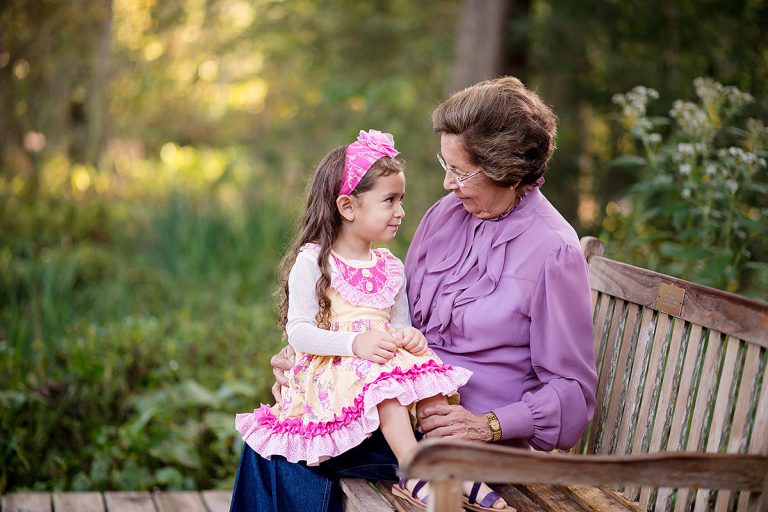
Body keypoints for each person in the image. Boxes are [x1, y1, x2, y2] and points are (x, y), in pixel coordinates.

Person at [230, 77, 597, 512]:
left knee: (277, 452)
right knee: (279, 435)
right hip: (399, 410)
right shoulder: (445, 217)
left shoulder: (553, 250)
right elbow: (384, 318)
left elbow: (573, 394)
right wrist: (315, 363)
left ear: (506, 170)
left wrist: (486, 424)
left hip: (466, 440)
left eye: (460, 172)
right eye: (445, 165)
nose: (447, 184)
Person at [233, 129, 511, 511]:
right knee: (381, 384)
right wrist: (355, 344)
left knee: (420, 375)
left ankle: (447, 465)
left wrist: (410, 338)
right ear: (348, 207)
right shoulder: (314, 262)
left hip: (376, 367)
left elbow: (400, 324)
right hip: (341, 376)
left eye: (401, 199)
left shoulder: (390, 266)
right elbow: (299, 331)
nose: (400, 211)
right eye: (390, 200)